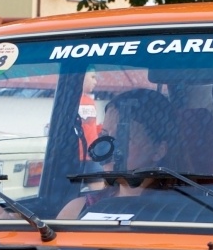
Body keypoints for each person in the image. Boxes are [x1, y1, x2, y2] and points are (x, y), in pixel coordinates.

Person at [57, 89, 176, 218]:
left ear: (159, 150)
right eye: (104, 135)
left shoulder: (180, 216)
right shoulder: (76, 211)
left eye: (123, 138)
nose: (108, 147)